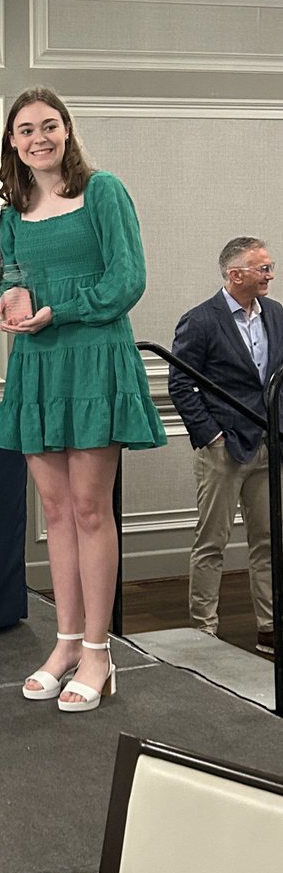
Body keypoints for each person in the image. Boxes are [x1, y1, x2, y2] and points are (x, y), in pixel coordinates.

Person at [0, 87, 165, 713]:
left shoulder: (104, 191)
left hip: (94, 358)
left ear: (67, 131)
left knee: (91, 510)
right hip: (36, 364)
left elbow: (128, 280)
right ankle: (65, 645)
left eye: (50, 126)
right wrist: (13, 302)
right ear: (11, 141)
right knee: (56, 513)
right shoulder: (10, 210)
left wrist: (57, 311)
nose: (39, 137)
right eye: (26, 129)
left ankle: (99, 652)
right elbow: (11, 275)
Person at [169, 237, 282, 656]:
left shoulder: (276, 315)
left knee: (268, 540)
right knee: (212, 542)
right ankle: (204, 630)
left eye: (270, 267)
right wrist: (211, 435)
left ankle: (269, 628)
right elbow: (181, 382)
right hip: (223, 449)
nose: (270, 275)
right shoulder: (200, 320)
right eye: (263, 268)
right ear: (236, 275)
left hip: (268, 447)